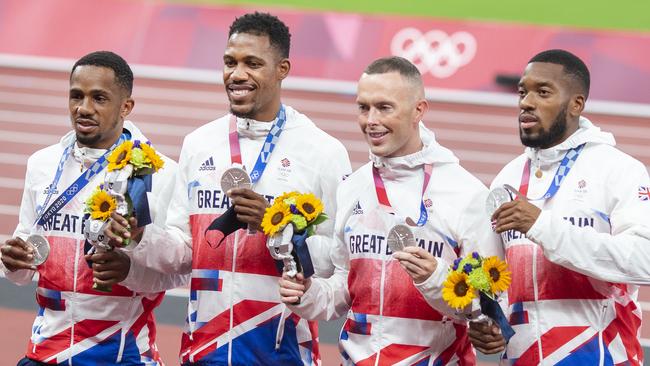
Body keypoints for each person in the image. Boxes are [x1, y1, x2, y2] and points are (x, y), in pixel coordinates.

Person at [106, 12, 351, 366]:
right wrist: (141, 235)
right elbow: (184, 251)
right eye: (230, 62)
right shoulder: (199, 143)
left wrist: (276, 225)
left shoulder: (322, 152)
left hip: (282, 354)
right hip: (203, 351)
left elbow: (339, 262)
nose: (237, 74)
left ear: (282, 69)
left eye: (252, 63)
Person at [278, 56, 503, 365]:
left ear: (419, 110)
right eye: (363, 107)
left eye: (384, 108)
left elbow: (488, 307)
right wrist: (308, 295)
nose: (371, 120)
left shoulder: (466, 193)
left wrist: (437, 279)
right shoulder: (353, 187)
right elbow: (344, 286)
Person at [469, 49, 650, 364]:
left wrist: (543, 227)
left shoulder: (618, 170)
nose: (526, 102)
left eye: (543, 92)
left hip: (601, 357)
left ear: (576, 104)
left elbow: (644, 260)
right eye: (523, 92)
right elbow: (492, 276)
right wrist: (490, 321)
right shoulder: (506, 178)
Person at [0, 51, 181, 365]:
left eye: (99, 98)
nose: (83, 108)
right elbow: (24, 268)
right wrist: (14, 262)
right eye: (76, 96)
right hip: (46, 353)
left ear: (126, 106)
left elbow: (179, 269)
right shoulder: (42, 164)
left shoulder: (161, 172)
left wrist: (130, 270)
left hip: (121, 356)